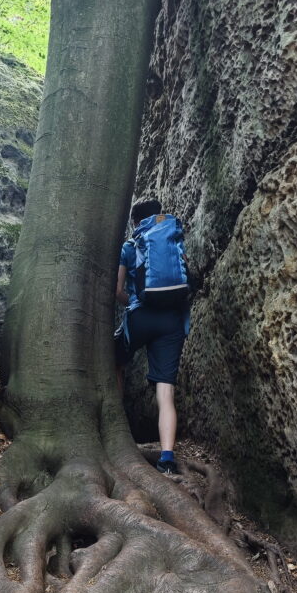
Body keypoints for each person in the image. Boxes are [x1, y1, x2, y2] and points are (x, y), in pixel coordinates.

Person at [115, 198, 192, 475]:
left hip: (141, 316)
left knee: (115, 359)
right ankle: (167, 459)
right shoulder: (174, 240)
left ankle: (117, 424)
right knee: (165, 391)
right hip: (172, 320)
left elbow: (117, 290)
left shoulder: (130, 245)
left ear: (136, 222)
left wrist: (133, 302)